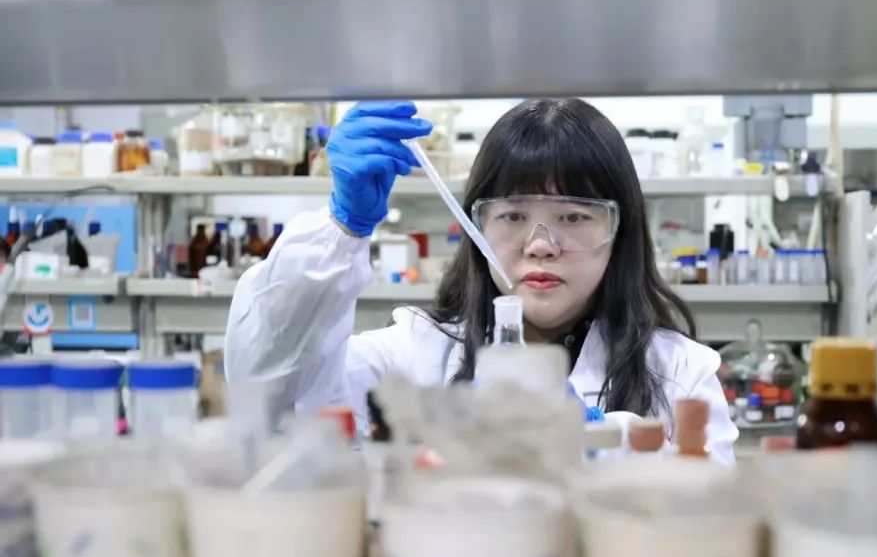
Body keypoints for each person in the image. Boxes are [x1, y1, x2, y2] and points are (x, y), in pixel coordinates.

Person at [225, 99, 738, 462]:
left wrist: (604, 442)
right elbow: (270, 393)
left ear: (619, 231)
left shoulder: (680, 374)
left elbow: (710, 526)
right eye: (512, 216)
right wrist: (341, 228)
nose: (541, 245)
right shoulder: (411, 356)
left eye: (574, 216)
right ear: (475, 227)